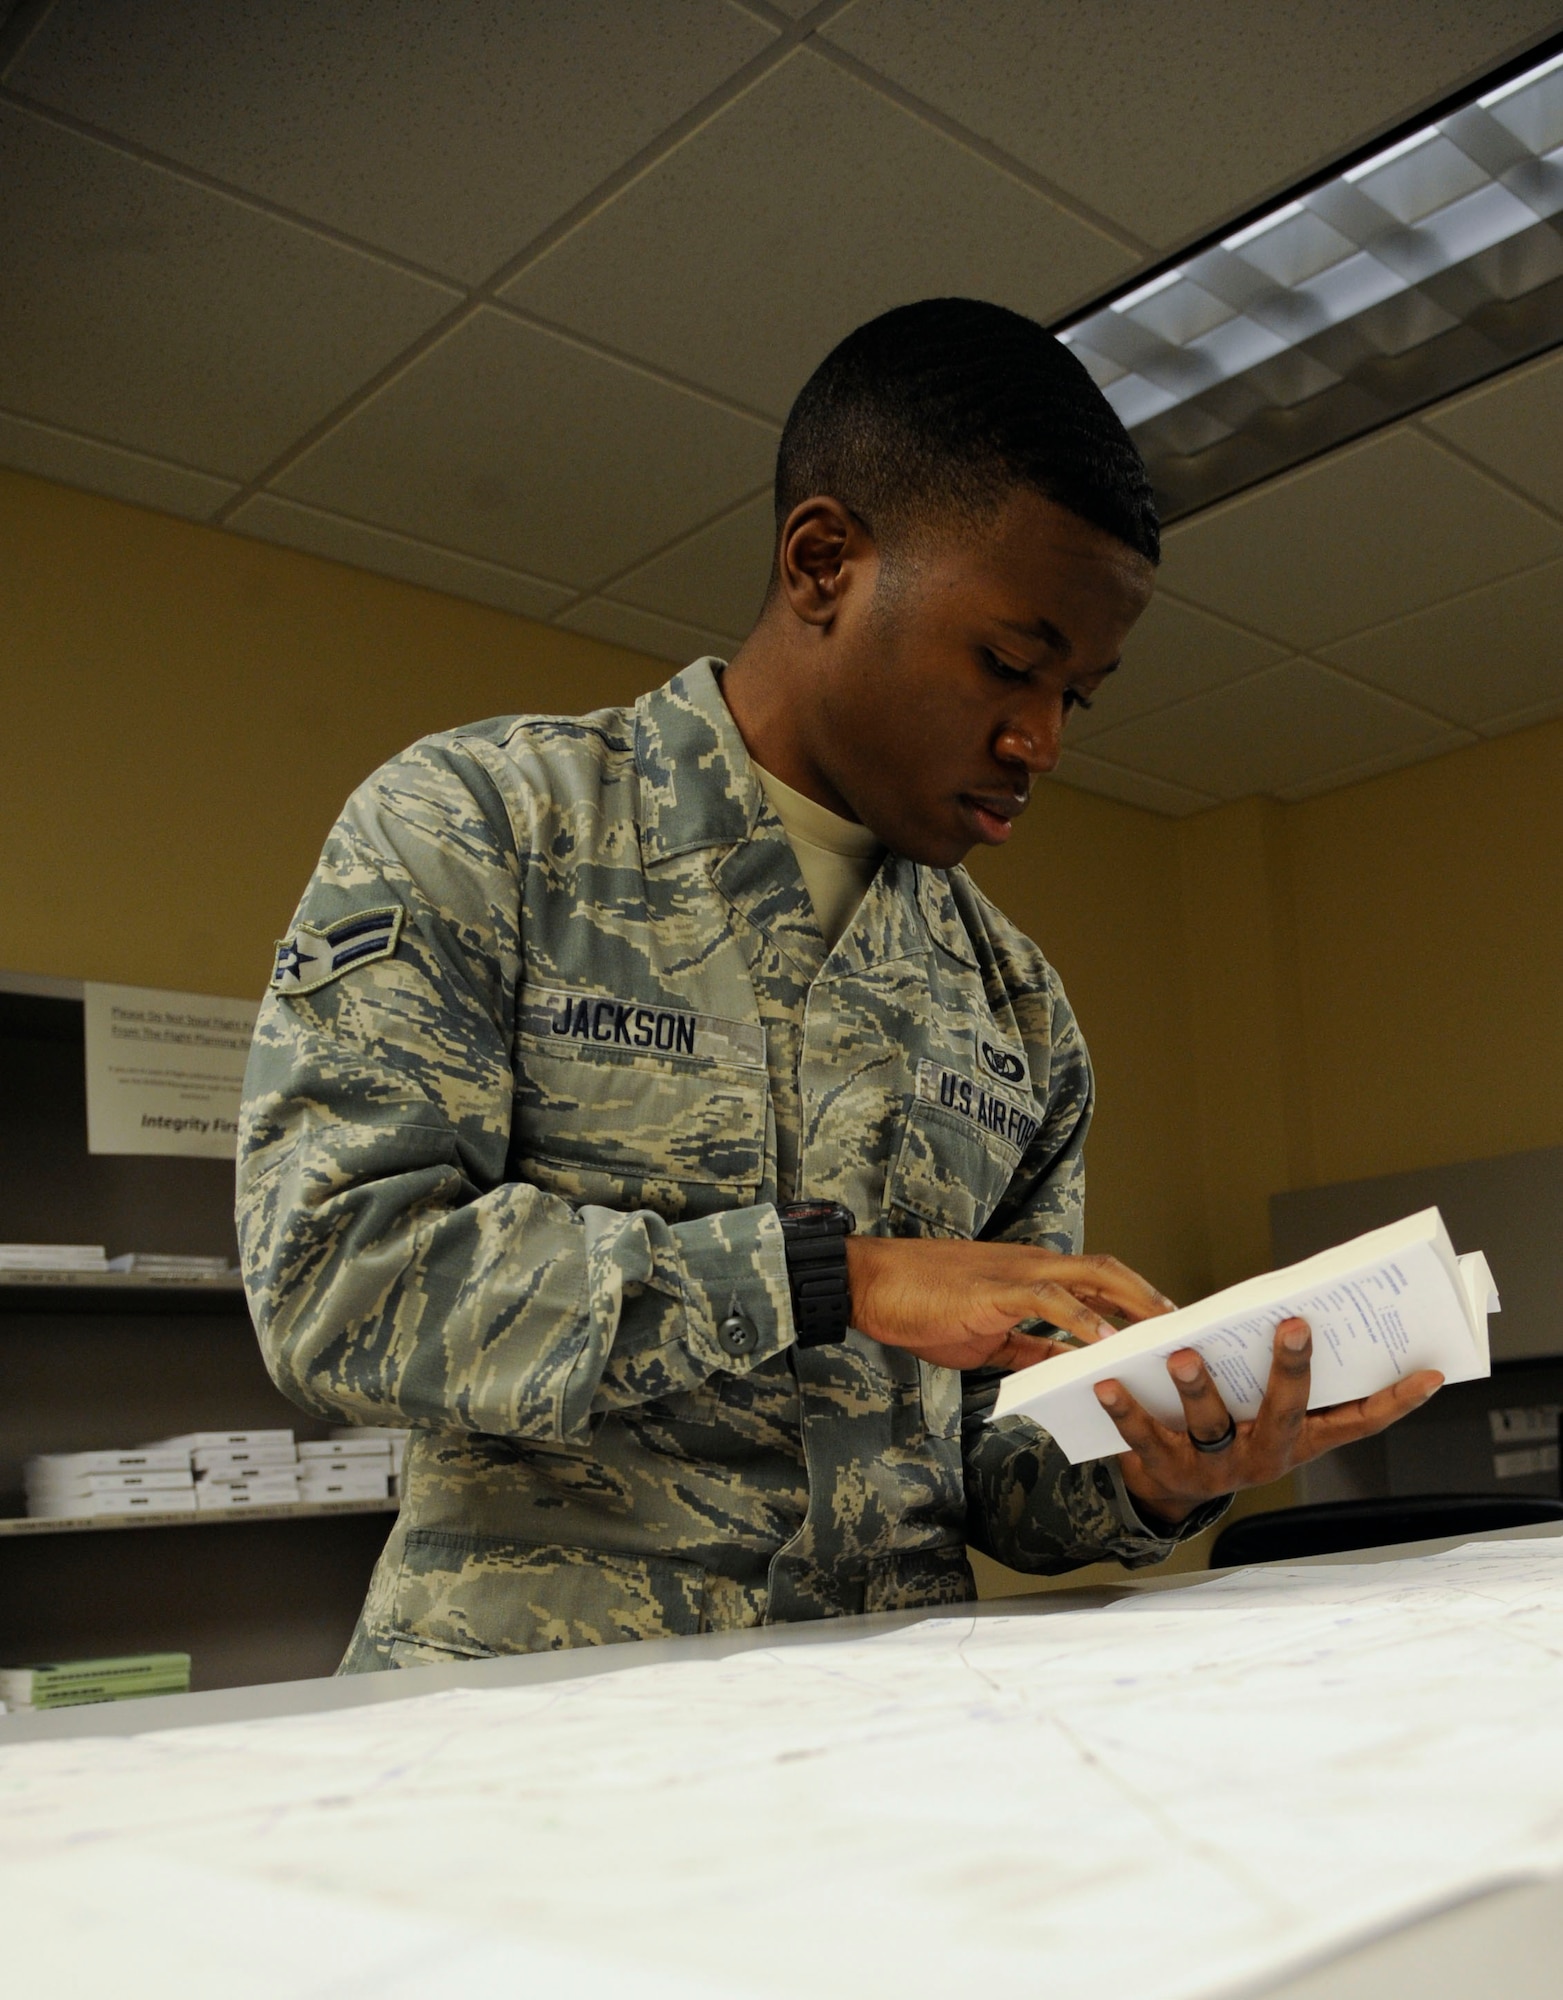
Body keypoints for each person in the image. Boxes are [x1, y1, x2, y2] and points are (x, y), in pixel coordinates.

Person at [237, 298, 1441, 1668]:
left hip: (886, 1751)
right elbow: (335, 1283)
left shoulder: (1017, 1012)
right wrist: (829, 1277)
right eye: (1008, 662)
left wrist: (1153, 1477)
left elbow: (993, 1464)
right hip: (530, 1740)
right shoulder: (488, 829)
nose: (1040, 739)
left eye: (1079, 698)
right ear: (823, 562)